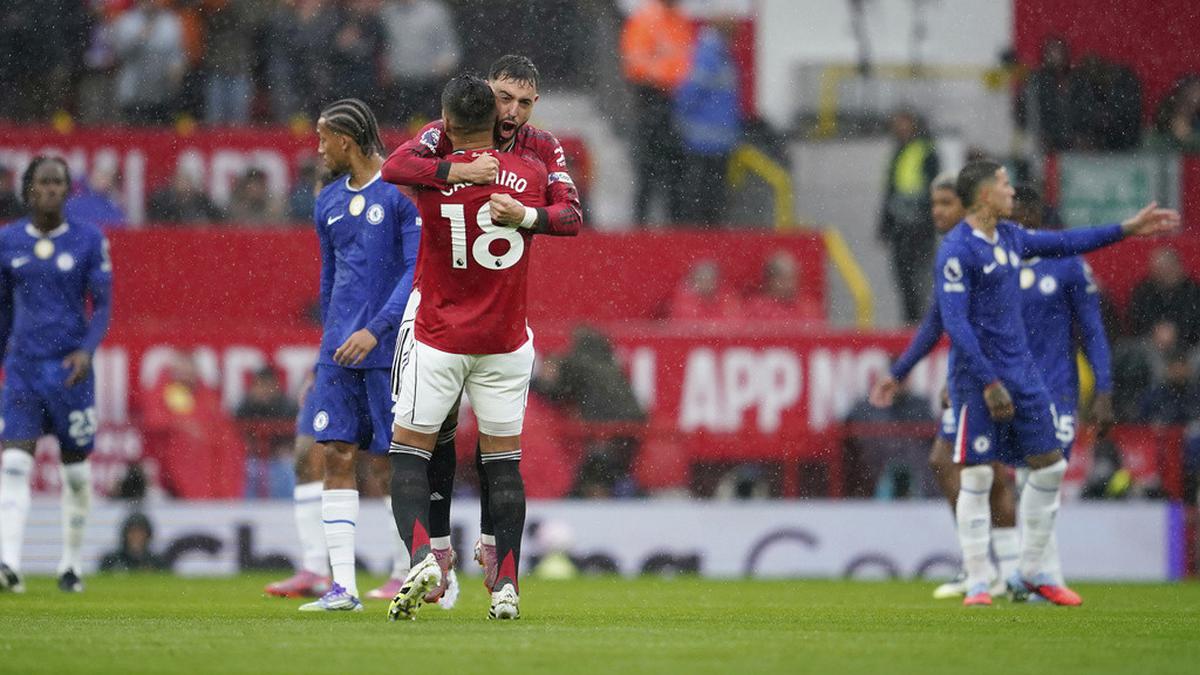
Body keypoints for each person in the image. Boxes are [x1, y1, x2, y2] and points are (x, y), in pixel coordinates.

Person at [381, 54, 582, 601]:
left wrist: (527, 216)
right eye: (503, 98)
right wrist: (456, 171)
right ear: (486, 93)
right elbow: (397, 167)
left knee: (456, 445)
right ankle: (441, 553)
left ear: (535, 103)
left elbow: (572, 216)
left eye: (523, 101)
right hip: (444, 302)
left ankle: (484, 547)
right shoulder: (447, 137)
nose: (511, 111)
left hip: (477, 310)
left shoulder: (541, 148)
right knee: (447, 436)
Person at [934, 159, 1175, 606]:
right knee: (978, 473)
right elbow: (955, 324)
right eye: (1005, 185)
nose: (1013, 192)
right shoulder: (957, 249)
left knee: (1049, 466)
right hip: (980, 379)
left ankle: (1031, 571)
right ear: (986, 194)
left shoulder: (1010, 238)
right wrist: (987, 381)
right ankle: (980, 579)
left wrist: (1126, 228)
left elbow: (1066, 242)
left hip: (1027, 378)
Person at [295, 98, 424, 612]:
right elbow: (330, 282)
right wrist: (327, 348)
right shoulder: (326, 202)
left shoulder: (399, 197)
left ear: (346, 141)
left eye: (324, 138)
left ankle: (415, 570)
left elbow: (414, 274)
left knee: (394, 463)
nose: (319, 148)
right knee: (335, 454)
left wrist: (375, 330)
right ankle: (342, 587)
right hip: (338, 354)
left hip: (388, 349)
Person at [870, 171, 1019, 600]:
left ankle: (1002, 570)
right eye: (934, 204)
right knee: (950, 463)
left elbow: (996, 317)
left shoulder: (984, 244)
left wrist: (977, 378)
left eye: (946, 204)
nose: (937, 212)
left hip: (994, 374)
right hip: (974, 374)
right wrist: (900, 373)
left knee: (986, 471)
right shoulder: (954, 251)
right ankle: (987, 566)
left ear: (969, 204)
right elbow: (939, 320)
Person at [0, 156, 113, 594]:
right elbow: (4, 309)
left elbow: (102, 305)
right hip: (24, 369)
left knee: (76, 473)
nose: (50, 190)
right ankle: (9, 563)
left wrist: (86, 351)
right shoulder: (8, 241)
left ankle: (71, 563)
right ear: (28, 189)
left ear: (68, 190)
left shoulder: (88, 240)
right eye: (43, 182)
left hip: (70, 371)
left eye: (58, 183)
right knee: (12, 464)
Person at [1011, 184, 1114, 593]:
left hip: (1056, 388)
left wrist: (1104, 389)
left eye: (1018, 212)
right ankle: (1039, 574)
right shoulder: (995, 263)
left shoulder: (1068, 264)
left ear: (1035, 214)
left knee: (1047, 474)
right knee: (1024, 481)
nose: (1012, 220)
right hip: (1009, 388)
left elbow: (1092, 329)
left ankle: (1033, 572)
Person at [620, 0, 692, 224]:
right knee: (647, 171)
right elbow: (635, 65)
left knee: (675, 173)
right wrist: (667, 78)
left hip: (675, 103)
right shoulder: (646, 19)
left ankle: (673, 226)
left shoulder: (680, 21)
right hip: (652, 100)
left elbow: (686, 63)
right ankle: (640, 226)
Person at [263, 367, 332, 598]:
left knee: (384, 462)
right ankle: (315, 570)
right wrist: (316, 369)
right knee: (305, 458)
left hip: (379, 362)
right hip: (331, 367)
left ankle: (406, 568)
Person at [674, 18, 741, 226]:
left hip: (708, 138)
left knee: (705, 193)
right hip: (706, 139)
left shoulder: (714, 54)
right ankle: (704, 231)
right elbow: (693, 91)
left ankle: (704, 229)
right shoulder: (713, 55)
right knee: (707, 194)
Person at [878, 109, 939, 323]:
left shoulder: (925, 151)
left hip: (919, 227)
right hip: (901, 227)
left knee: (919, 281)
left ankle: (919, 324)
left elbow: (933, 189)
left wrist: (924, 214)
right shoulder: (900, 151)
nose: (899, 128)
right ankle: (910, 323)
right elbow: (890, 191)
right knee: (904, 280)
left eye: (903, 123)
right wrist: (885, 225)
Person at [1127, 247, 1200, 348]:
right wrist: (1155, 332)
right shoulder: (1144, 291)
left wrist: (1178, 332)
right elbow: (1136, 320)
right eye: (1160, 270)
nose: (1164, 274)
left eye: (1168, 268)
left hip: (1190, 345)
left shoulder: (1194, 291)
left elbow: (1195, 321)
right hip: (1151, 344)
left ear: (1179, 267)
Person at [99, 512, 167, 572]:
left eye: (140, 532)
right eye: (132, 532)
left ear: (148, 535)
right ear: (125, 534)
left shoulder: (157, 563)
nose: (136, 536)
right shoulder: (111, 561)